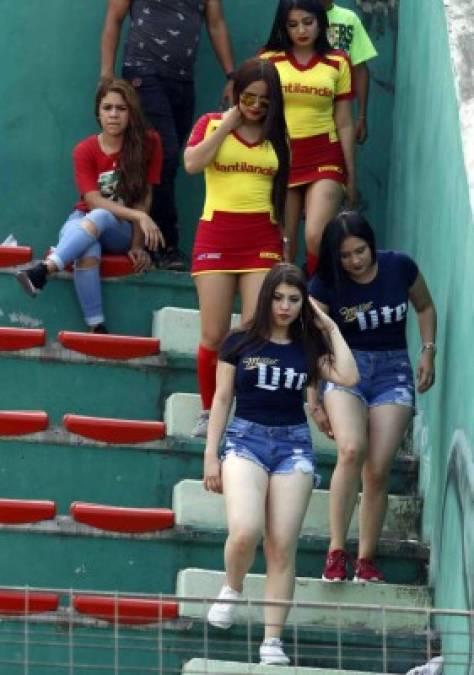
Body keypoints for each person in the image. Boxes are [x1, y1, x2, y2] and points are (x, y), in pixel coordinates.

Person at [204, 263, 358, 665]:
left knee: (281, 547)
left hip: (293, 447)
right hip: (245, 439)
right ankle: (233, 587)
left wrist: (330, 328)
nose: (285, 306)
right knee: (245, 531)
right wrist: (211, 456)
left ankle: (272, 641)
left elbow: (349, 375)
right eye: (278, 297)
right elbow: (221, 400)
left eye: (294, 299)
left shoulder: (308, 347)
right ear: (266, 297)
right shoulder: (239, 341)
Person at [309, 211, 436, 582]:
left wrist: (428, 349)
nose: (354, 261)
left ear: (372, 244)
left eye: (360, 251)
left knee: (378, 469)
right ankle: (336, 551)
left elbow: (424, 306)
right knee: (351, 449)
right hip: (344, 369)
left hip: (393, 371)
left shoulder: (400, 267)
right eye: (345, 255)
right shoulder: (325, 285)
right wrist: (313, 399)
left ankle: (366, 561)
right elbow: (314, 344)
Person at [184, 58, 290, 437]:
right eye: (249, 97)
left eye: (265, 100)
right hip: (216, 235)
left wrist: (286, 245)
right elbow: (193, 164)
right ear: (236, 93)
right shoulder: (211, 124)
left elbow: (284, 197)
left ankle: (244, 409)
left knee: (253, 329)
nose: (256, 106)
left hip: (262, 237)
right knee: (213, 334)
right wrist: (228, 123)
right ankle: (208, 408)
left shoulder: (278, 135)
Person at [16, 79, 164, 333]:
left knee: (102, 216)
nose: (114, 115)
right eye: (107, 108)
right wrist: (140, 216)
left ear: (131, 112)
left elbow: (145, 195)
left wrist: (138, 243)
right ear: (98, 112)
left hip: (121, 231)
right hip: (84, 219)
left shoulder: (149, 143)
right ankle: (97, 327)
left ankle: (45, 269)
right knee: (88, 245)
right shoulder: (85, 150)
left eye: (121, 108)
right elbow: (91, 199)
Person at [100, 0, 235, 271]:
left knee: (163, 163)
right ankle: (163, 246)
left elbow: (216, 23)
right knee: (166, 156)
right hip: (143, 72)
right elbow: (114, 18)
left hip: (183, 80)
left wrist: (231, 75)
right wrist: (106, 74)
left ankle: (140, 237)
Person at [260, 0, 356, 277]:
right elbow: (255, 111)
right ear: (283, 26)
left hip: (325, 157)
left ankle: (318, 300)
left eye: (307, 22)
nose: (301, 30)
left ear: (320, 21)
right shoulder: (268, 61)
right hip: (281, 159)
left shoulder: (338, 62)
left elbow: (345, 122)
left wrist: (351, 174)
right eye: (292, 24)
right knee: (283, 247)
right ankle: (286, 309)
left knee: (317, 236)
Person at [319, 0, 377, 144]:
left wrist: (362, 117)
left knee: (341, 161)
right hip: (304, 108)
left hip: (341, 113)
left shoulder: (349, 19)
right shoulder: (297, 19)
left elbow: (360, 70)